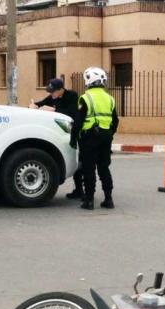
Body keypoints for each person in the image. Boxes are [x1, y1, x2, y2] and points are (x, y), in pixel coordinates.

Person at [70, 67, 118, 210]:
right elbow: (115, 121)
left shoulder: (85, 98)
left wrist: (73, 137)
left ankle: (89, 201)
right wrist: (109, 134)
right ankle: (108, 199)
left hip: (89, 138)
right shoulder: (110, 98)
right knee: (104, 167)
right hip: (106, 137)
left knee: (88, 168)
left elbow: (79, 121)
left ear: (88, 81)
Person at [30, 78, 84, 199]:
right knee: (75, 161)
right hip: (64, 133)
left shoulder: (72, 96)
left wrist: (54, 110)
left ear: (61, 90)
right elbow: (42, 103)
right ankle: (78, 190)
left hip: (76, 132)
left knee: (81, 163)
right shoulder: (53, 97)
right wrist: (34, 106)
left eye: (53, 91)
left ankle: (83, 190)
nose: (51, 94)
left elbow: (72, 113)